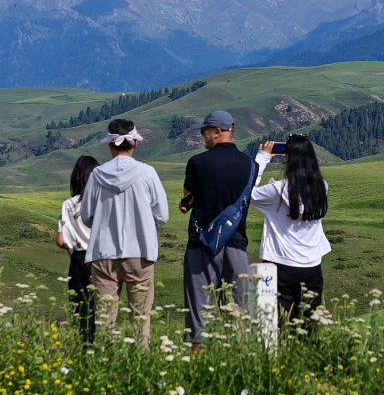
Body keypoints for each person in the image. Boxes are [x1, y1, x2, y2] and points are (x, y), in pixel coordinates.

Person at [80, 119, 169, 348]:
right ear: (135, 144)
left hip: (104, 252)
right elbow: (162, 215)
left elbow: (87, 216)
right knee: (141, 317)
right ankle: (141, 368)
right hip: (140, 251)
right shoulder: (147, 173)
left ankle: (103, 368)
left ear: (110, 145)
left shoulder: (97, 175)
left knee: (104, 318)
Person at [181, 109, 257, 349]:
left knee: (198, 311)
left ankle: (197, 364)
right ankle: (240, 361)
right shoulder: (251, 165)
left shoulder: (197, 162)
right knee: (241, 310)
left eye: (205, 131)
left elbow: (188, 196)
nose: (202, 136)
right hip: (236, 242)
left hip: (201, 243)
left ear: (217, 132)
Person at [252, 136, 331, 325]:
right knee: (309, 322)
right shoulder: (322, 187)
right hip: (312, 265)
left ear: (287, 157)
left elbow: (248, 191)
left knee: (279, 322)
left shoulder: (277, 191)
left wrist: (262, 158)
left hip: (281, 263)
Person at [57, 155, 100, 341]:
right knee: (103, 312)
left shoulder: (69, 204)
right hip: (101, 258)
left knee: (81, 312)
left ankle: (84, 351)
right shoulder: (103, 203)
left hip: (78, 260)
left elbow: (61, 240)